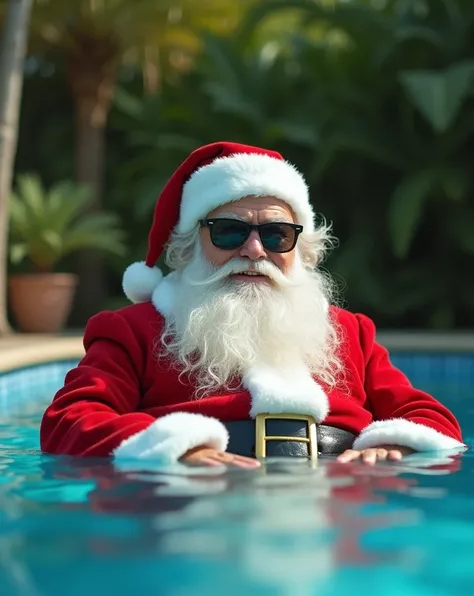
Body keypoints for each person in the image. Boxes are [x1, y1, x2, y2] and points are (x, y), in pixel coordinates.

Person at [40, 141, 465, 468]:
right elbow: (67, 421)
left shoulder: (351, 332)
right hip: (194, 511)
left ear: (301, 250)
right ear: (190, 247)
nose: (255, 250)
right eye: (228, 232)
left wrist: (393, 443)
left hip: (337, 514)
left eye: (277, 235)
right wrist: (173, 450)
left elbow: (430, 417)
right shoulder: (132, 330)